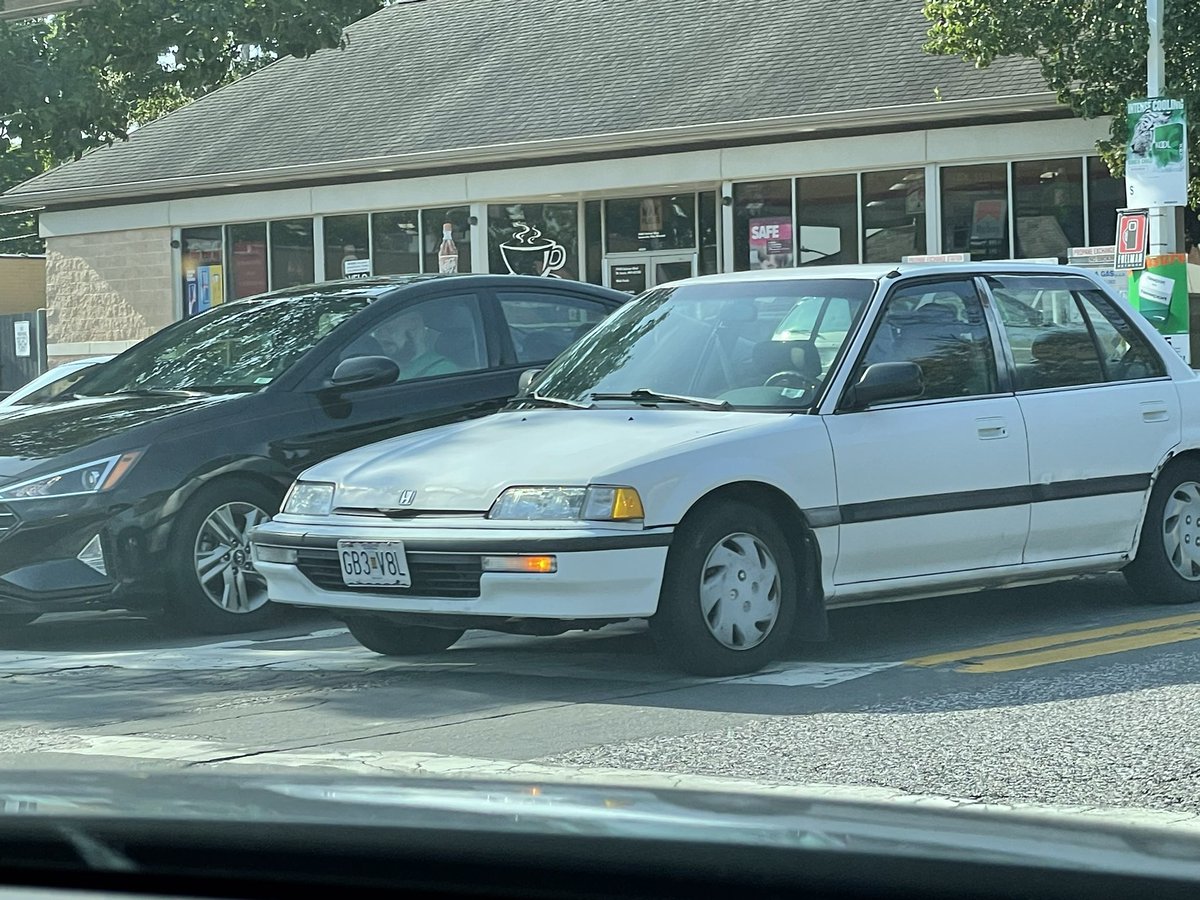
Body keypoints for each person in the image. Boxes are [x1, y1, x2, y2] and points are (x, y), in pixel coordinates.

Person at [374, 307, 457, 380]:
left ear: (414, 324)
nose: (382, 336)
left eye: (389, 329)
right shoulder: (377, 368)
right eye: (378, 331)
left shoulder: (442, 371)